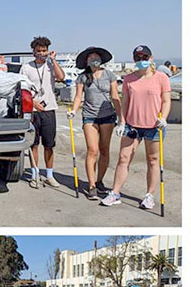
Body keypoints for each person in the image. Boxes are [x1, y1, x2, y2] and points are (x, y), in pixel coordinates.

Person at [101, 45, 171, 210]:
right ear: (134, 60)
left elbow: (166, 101)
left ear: (151, 58)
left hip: (154, 126)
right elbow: (124, 102)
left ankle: (149, 196)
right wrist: (122, 121)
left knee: (153, 160)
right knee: (123, 158)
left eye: (144, 58)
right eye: (138, 58)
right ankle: (115, 193)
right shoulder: (128, 79)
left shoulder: (161, 78)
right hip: (132, 126)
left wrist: (164, 118)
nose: (141, 61)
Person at [68, 47, 122, 200]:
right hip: (90, 116)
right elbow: (78, 97)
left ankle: (99, 181)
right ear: (86, 61)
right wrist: (73, 110)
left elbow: (115, 96)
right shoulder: (82, 77)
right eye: (90, 57)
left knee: (105, 150)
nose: (94, 59)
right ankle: (91, 185)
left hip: (107, 116)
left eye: (96, 56)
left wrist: (121, 118)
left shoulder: (109, 75)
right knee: (93, 150)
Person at [20, 36, 65, 188]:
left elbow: (61, 77)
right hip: (32, 110)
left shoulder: (51, 66)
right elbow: (21, 89)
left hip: (49, 109)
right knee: (33, 144)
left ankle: (50, 175)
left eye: (44, 51)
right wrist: (32, 102)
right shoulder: (26, 68)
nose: (41, 53)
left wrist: (53, 61)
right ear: (33, 52)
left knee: (49, 145)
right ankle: (34, 175)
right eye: (38, 51)